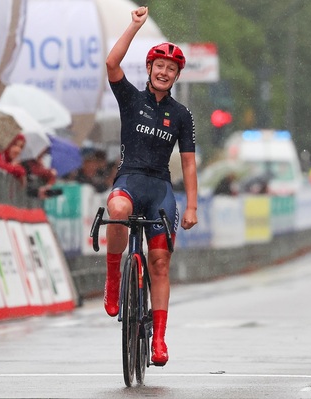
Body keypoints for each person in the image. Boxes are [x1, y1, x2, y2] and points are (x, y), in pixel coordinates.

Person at [104, 6, 198, 366]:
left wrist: (191, 205)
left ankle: (159, 339)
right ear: (149, 69)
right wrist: (134, 25)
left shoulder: (182, 115)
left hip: (160, 188)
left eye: (171, 69)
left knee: (159, 262)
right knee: (117, 210)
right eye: (159, 66)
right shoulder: (131, 98)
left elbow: (187, 163)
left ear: (176, 76)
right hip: (130, 178)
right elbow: (112, 64)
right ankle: (114, 279)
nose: (164, 71)